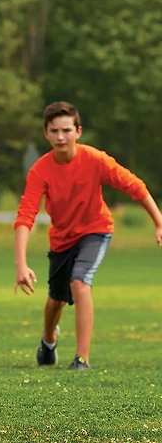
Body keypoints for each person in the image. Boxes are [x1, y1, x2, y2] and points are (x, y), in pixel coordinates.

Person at [13, 100, 162, 369]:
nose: (61, 137)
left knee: (80, 282)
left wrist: (158, 221)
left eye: (67, 130)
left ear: (78, 131)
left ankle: (81, 358)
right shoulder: (40, 171)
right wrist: (21, 264)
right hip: (61, 239)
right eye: (54, 131)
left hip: (96, 229)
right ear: (46, 133)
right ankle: (48, 342)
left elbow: (134, 186)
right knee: (55, 300)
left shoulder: (94, 159)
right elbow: (26, 215)